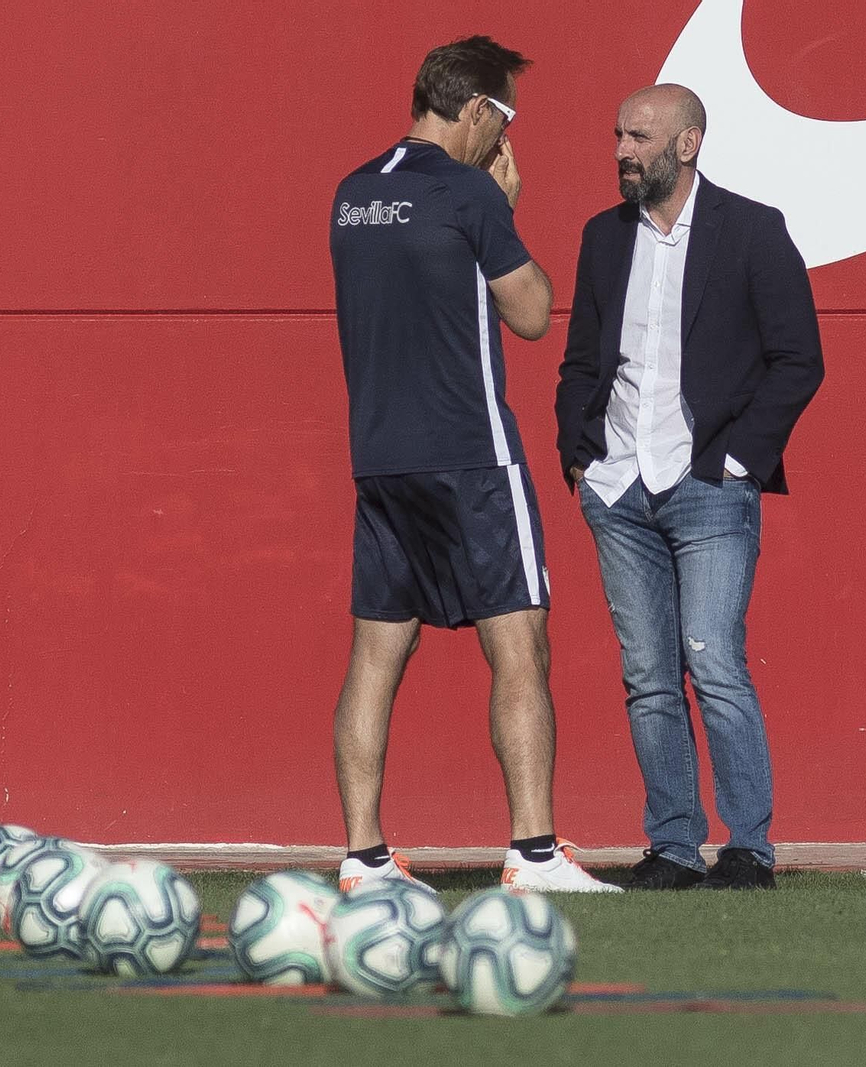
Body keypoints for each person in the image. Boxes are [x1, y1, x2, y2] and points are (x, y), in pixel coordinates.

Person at [329, 36, 618, 894]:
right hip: (470, 455)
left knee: (376, 654)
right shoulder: (467, 192)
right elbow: (533, 314)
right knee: (521, 641)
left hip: (379, 459)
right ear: (483, 112)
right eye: (507, 120)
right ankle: (534, 853)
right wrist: (507, 211)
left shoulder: (351, 194)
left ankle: (363, 855)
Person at [555, 84, 824, 890]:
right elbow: (581, 360)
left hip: (709, 484)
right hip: (618, 487)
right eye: (616, 133)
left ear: (687, 144)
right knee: (648, 674)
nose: (621, 150)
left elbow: (798, 358)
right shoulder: (603, 238)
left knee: (713, 660)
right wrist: (581, 454)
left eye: (638, 135)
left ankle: (748, 846)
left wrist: (739, 460)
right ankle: (672, 845)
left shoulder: (752, 230)